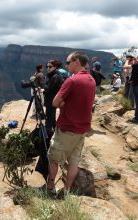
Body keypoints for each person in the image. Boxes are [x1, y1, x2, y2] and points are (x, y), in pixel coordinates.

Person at [47, 51, 95, 197]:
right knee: (73, 162)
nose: (66, 65)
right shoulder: (91, 80)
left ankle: (50, 189)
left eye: (68, 62)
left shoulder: (72, 81)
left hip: (67, 127)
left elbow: (54, 102)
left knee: (54, 158)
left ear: (76, 62)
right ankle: (67, 190)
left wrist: (63, 104)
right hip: (82, 129)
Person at [43, 60, 66, 133]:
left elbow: (48, 89)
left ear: (55, 67)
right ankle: (56, 132)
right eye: (47, 67)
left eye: (50, 66)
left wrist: (42, 87)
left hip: (51, 100)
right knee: (52, 118)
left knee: (49, 118)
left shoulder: (54, 76)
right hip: (54, 99)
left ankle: (47, 135)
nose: (48, 68)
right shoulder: (56, 74)